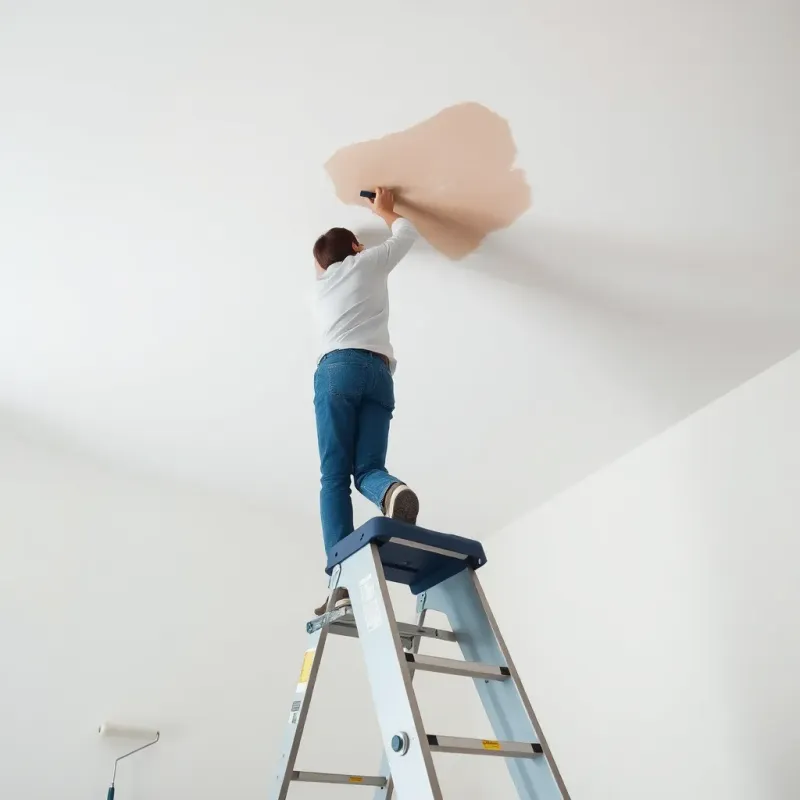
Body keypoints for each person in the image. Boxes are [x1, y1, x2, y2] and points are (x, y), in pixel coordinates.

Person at [311, 187, 420, 614]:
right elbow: (406, 234)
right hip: (378, 373)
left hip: (337, 368)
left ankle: (341, 580)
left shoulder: (321, 287)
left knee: (334, 477)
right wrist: (385, 210)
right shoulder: (368, 262)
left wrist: (328, 256)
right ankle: (392, 491)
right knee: (369, 469)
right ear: (356, 247)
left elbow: (325, 262)